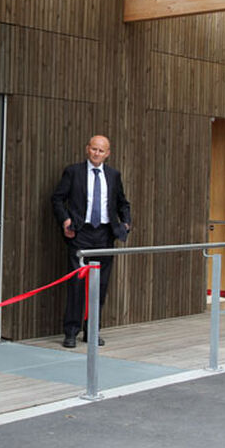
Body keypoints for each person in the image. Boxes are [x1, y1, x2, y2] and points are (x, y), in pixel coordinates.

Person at [51, 135, 131, 348]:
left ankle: (92, 331)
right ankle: (71, 332)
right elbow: (57, 199)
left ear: (108, 153)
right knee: (77, 284)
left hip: (105, 235)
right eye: (94, 149)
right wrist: (65, 220)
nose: (97, 153)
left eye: (101, 150)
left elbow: (123, 203)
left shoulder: (114, 175)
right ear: (87, 149)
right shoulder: (73, 172)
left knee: (100, 287)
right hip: (81, 235)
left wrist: (126, 223)